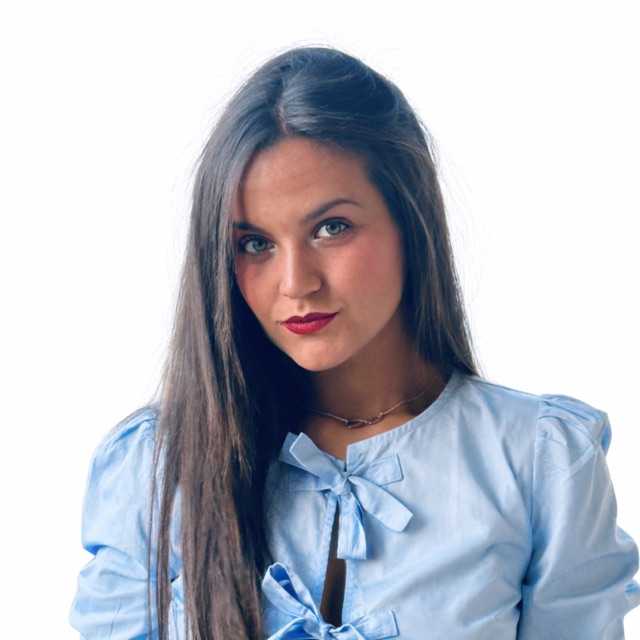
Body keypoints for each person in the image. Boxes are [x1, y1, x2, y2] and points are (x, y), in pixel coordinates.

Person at [68, 45, 640, 639]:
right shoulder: (156, 467)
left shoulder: (538, 463)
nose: (296, 283)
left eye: (331, 228)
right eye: (255, 244)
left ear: (410, 221)